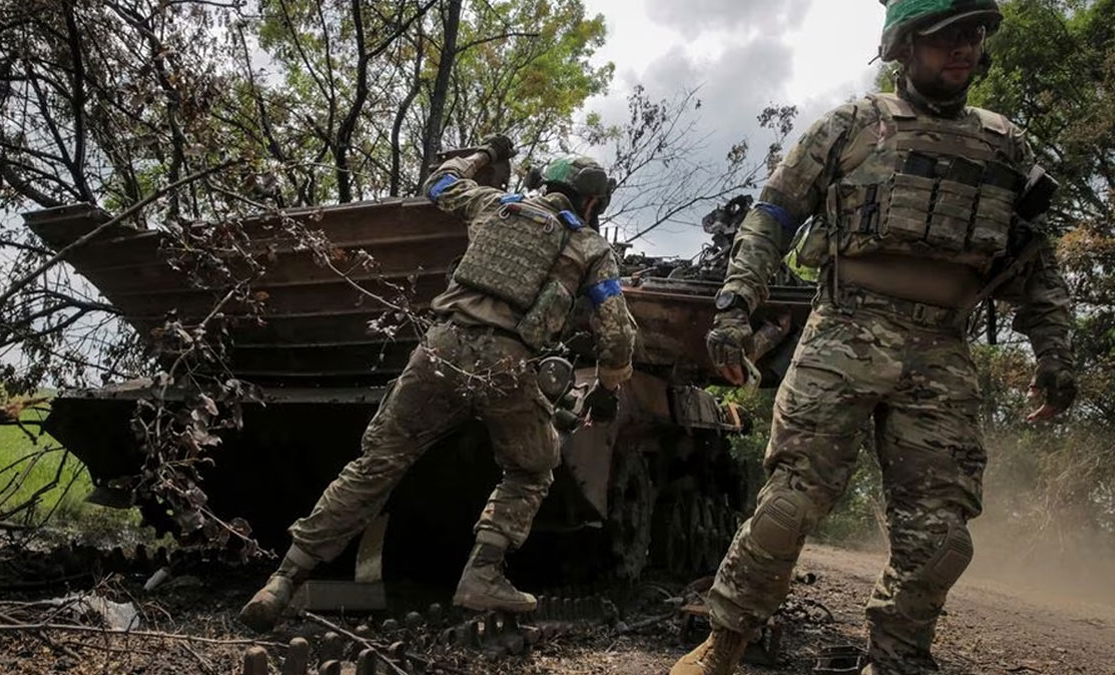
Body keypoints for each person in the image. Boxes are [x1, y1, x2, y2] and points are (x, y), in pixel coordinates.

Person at [672, 1, 1077, 673]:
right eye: (948, 34)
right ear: (903, 45)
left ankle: (895, 657)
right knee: (790, 504)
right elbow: (772, 214)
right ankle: (725, 642)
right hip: (845, 330)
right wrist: (735, 303)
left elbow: (1038, 264)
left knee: (943, 533)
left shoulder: (1007, 146)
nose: (965, 48)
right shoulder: (852, 126)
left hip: (941, 350)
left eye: (975, 34)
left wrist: (1055, 351)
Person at [239, 136, 637, 633]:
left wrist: (487, 155)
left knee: (375, 466)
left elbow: (439, 182)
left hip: (439, 350)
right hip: (506, 365)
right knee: (534, 467)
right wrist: (607, 386)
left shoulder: (494, 205)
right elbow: (617, 334)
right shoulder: (589, 246)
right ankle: (482, 573)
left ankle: (282, 580)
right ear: (593, 202)